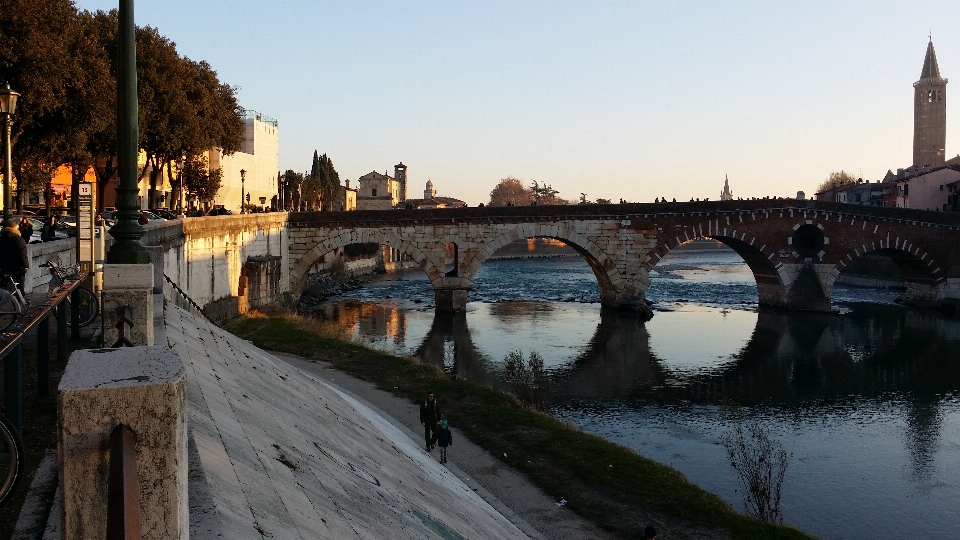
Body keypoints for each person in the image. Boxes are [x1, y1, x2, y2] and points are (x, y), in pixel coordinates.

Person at [0, 221, 29, 294]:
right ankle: (20, 299)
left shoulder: (1, 238)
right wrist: (25, 265)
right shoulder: (18, 239)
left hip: (3, 266)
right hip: (17, 267)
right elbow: (22, 254)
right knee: (19, 284)